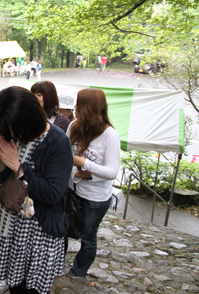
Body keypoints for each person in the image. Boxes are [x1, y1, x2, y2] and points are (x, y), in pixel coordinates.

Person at [0, 86, 73, 294]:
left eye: (13, 129)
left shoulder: (57, 142)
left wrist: (18, 167)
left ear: (28, 119)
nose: (10, 134)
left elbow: (52, 193)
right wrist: (3, 164)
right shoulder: (9, 133)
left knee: (31, 290)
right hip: (8, 228)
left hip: (36, 236)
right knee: (15, 286)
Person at [66, 88, 121, 278]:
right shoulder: (74, 126)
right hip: (73, 191)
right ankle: (55, 262)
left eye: (78, 104)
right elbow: (65, 155)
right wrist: (77, 173)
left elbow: (112, 171)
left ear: (89, 108)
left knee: (88, 236)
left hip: (95, 198)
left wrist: (84, 165)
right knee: (65, 228)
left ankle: (78, 271)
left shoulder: (110, 135)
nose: (75, 107)